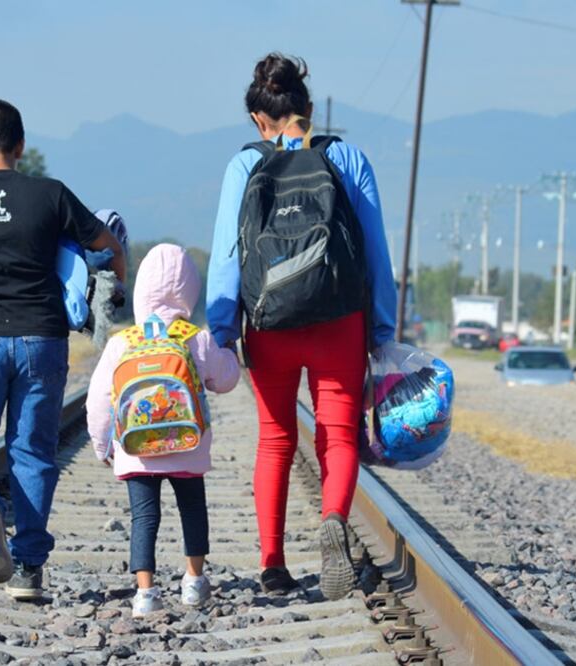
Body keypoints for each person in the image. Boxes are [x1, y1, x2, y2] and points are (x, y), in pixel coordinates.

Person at [206, 54, 399, 600]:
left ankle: (272, 563)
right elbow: (376, 254)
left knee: (275, 440)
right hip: (339, 319)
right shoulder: (347, 158)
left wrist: (223, 330)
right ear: (308, 111)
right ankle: (334, 518)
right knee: (338, 436)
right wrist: (381, 331)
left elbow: (227, 255)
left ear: (256, 119)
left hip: (271, 323)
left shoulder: (245, 165)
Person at [0, 99, 126, 600]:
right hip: (41, 339)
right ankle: (28, 570)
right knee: (32, 453)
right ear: (20, 147)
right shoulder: (50, 195)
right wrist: (116, 289)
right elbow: (107, 245)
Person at [86, 244, 240, 617]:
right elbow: (226, 379)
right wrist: (230, 352)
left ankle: (146, 592)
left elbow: (99, 401)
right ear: (190, 290)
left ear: (142, 290)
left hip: (137, 449)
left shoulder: (123, 342)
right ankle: (193, 582)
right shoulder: (195, 337)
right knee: (192, 509)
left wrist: (102, 445)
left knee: (144, 517)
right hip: (187, 446)